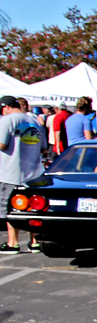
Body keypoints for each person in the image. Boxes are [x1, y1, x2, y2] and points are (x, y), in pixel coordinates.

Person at [0, 95, 46, 253]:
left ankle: (13, 243)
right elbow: (44, 148)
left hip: (10, 172)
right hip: (34, 173)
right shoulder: (34, 121)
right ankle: (35, 241)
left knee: (12, 209)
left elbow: (2, 144)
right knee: (32, 208)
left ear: (5, 107)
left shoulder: (7, 121)